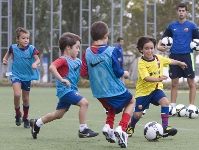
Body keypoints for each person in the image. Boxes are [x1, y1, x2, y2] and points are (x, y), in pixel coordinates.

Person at [29, 32, 99, 139]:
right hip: (65, 91)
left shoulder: (78, 61)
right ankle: (83, 130)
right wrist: (62, 79)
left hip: (70, 90)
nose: (78, 50)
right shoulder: (63, 59)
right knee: (84, 103)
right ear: (68, 47)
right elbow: (52, 67)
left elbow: (84, 74)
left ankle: (36, 123)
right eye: (77, 47)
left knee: (58, 114)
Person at [80, 21, 135, 148]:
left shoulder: (86, 52)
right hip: (114, 89)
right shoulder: (112, 50)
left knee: (112, 107)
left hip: (98, 92)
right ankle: (122, 128)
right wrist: (125, 73)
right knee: (132, 101)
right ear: (106, 35)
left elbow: (83, 73)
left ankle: (108, 126)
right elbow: (117, 72)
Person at [126, 36, 187, 138]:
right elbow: (146, 78)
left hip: (156, 90)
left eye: (151, 48)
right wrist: (159, 79)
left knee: (165, 102)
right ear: (141, 49)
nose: (150, 51)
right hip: (143, 92)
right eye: (146, 48)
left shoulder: (158, 58)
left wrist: (179, 63)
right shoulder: (141, 63)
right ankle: (131, 126)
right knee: (137, 115)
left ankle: (165, 128)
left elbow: (169, 61)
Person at [157, 3, 199, 109]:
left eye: (183, 11)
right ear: (177, 12)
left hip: (187, 56)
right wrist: (158, 46)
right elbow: (163, 38)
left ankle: (191, 106)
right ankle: (172, 106)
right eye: (179, 10)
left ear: (186, 12)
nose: (181, 12)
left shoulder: (192, 26)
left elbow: (197, 41)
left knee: (191, 83)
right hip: (174, 56)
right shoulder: (171, 26)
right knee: (174, 83)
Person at [2, 27, 40, 128]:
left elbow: (38, 60)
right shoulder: (13, 48)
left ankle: (25, 118)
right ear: (17, 39)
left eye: (27, 38)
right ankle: (18, 114)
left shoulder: (32, 49)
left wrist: (35, 64)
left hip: (27, 76)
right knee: (17, 94)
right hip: (15, 74)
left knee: (26, 98)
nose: (26, 40)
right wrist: (5, 60)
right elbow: (6, 56)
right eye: (23, 38)